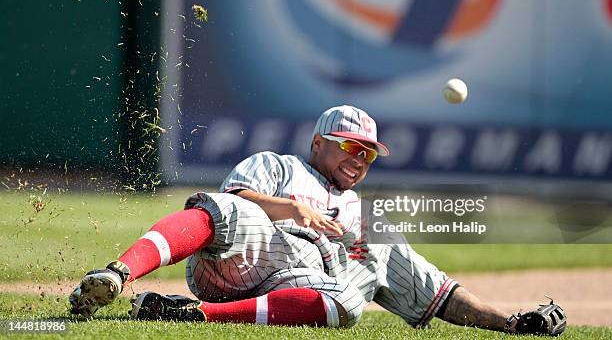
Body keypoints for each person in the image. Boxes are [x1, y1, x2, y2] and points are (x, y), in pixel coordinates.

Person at [69, 105, 566, 335]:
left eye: (369, 154)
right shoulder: (280, 166)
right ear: (318, 143)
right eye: (351, 146)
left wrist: (515, 323)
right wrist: (293, 208)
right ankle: (115, 275)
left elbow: (436, 292)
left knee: (348, 303)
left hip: (291, 285)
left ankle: (184, 315)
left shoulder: (368, 221)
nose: (360, 159)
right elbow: (224, 206)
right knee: (222, 207)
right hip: (239, 256)